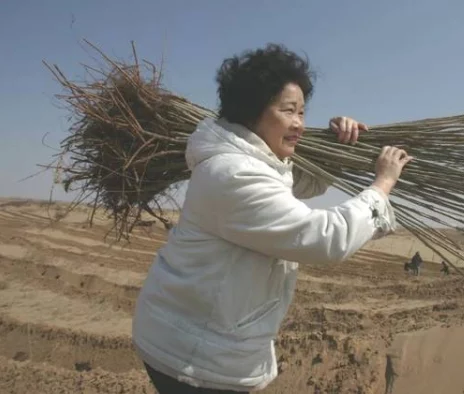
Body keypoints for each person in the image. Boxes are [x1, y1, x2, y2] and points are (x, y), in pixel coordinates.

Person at [132, 43, 413, 394]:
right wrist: (383, 183)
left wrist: (342, 149)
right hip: (192, 355)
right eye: (288, 111)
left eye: (302, 112)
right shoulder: (232, 173)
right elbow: (324, 239)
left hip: (193, 337)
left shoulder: (247, 161)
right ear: (252, 112)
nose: (299, 124)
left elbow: (296, 185)